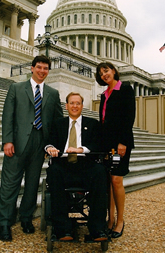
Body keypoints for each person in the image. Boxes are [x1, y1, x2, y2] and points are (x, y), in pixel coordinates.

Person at [0, 55, 63, 241]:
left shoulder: (52, 93)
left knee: (32, 185)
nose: (42, 71)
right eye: (39, 67)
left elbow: (58, 121)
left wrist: (53, 145)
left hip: (39, 144)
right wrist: (7, 141)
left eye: (46, 68)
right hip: (17, 143)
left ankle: (26, 219)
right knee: (10, 184)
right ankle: (4, 223)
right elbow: (7, 116)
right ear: (32, 68)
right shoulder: (16, 88)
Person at [46, 92, 108, 242]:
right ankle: (63, 228)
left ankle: (97, 229)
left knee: (100, 172)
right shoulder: (58, 123)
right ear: (66, 106)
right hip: (63, 166)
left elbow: (98, 144)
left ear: (82, 106)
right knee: (53, 172)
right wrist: (50, 148)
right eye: (72, 103)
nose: (75, 106)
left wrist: (81, 149)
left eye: (78, 103)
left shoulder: (92, 124)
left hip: (86, 166)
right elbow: (49, 142)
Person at [95, 62, 135, 239]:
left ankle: (120, 221)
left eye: (106, 70)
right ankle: (109, 220)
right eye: (101, 73)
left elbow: (129, 117)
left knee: (117, 180)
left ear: (113, 71)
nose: (104, 74)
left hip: (120, 143)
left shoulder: (125, 88)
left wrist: (123, 142)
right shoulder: (104, 95)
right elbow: (103, 121)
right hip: (106, 144)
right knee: (108, 182)